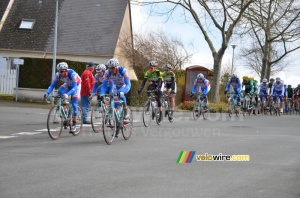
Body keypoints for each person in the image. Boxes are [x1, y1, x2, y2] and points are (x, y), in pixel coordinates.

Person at [43, 62, 81, 133]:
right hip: (68, 84)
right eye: (59, 71)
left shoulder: (72, 74)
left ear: (65, 70)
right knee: (60, 92)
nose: (60, 73)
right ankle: (65, 111)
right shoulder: (58, 75)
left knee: (74, 104)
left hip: (76, 86)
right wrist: (47, 93)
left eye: (61, 71)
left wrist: (67, 95)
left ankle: (74, 124)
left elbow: (74, 87)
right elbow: (52, 86)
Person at [100, 58, 131, 136]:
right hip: (116, 86)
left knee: (120, 93)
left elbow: (127, 83)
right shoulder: (107, 73)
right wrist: (102, 93)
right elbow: (103, 85)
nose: (111, 70)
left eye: (113, 68)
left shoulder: (122, 70)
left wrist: (123, 90)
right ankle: (117, 122)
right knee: (113, 99)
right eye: (110, 68)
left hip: (124, 85)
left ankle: (125, 109)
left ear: (116, 67)